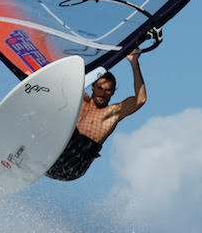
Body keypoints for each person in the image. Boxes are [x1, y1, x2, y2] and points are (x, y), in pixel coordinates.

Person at [45, 48, 146, 181]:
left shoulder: (111, 113)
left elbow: (140, 100)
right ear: (92, 87)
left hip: (76, 164)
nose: (103, 93)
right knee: (52, 109)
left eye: (108, 90)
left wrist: (134, 63)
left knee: (68, 128)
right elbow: (60, 79)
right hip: (53, 159)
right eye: (100, 88)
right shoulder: (80, 97)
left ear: (113, 92)